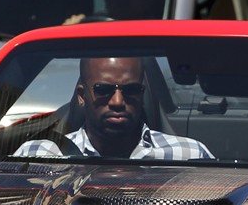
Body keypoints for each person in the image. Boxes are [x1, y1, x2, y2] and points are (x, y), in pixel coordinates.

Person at [13, 56, 213, 160]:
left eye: (131, 89)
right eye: (104, 90)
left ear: (142, 94)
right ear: (82, 96)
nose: (118, 101)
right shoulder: (38, 156)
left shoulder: (190, 155)